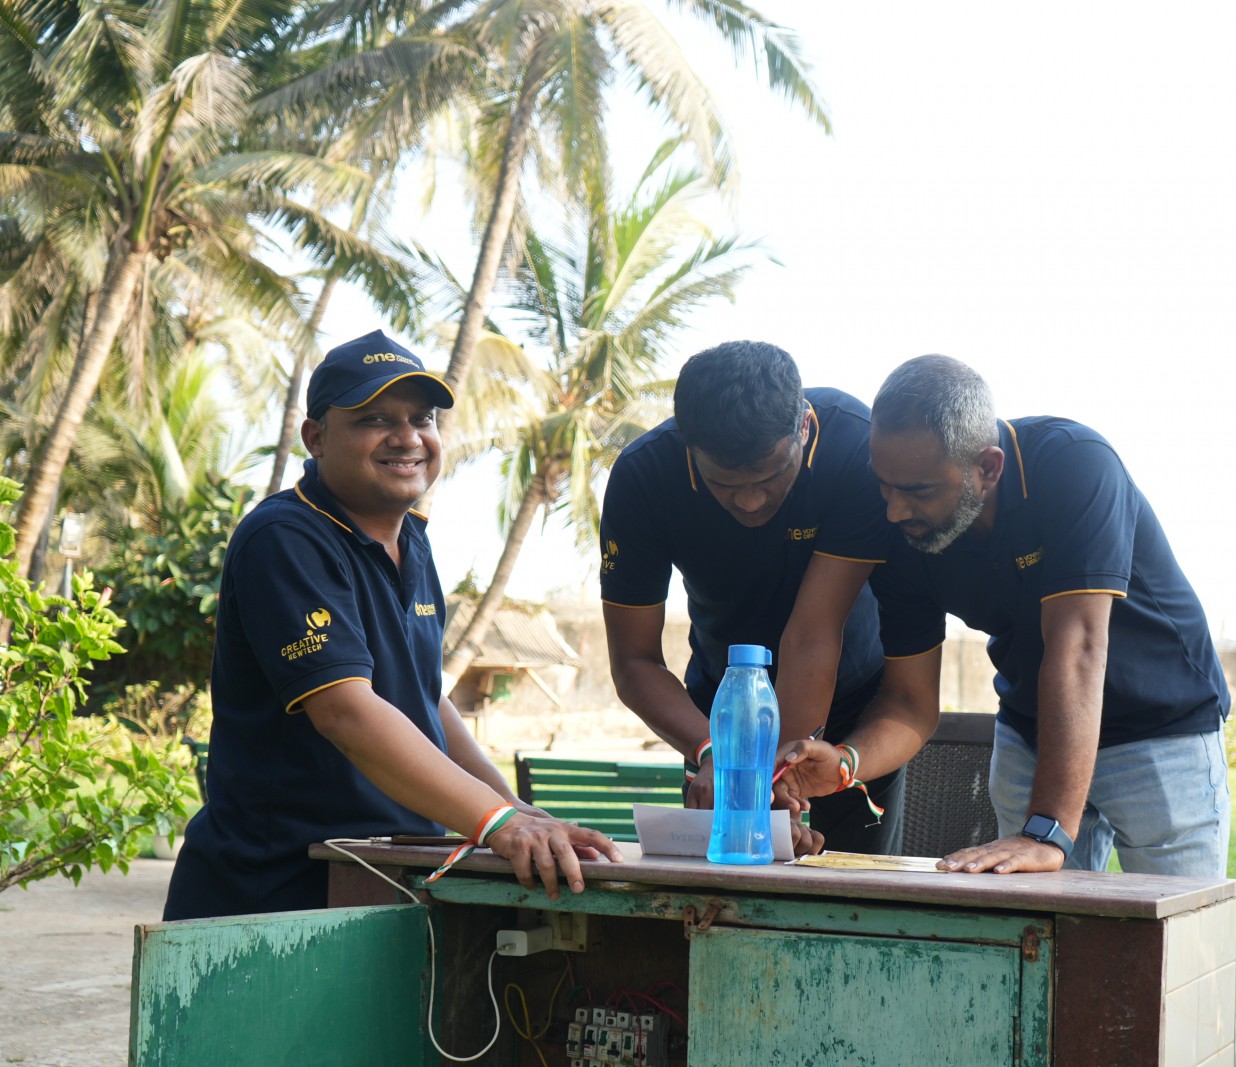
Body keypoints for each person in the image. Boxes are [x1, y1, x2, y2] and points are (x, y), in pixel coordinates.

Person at [164, 331, 622, 921]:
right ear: (316, 437)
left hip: (391, 879)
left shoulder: (413, 542)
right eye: (374, 419)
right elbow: (346, 711)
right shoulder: (286, 537)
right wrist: (495, 822)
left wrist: (514, 809)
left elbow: (426, 700)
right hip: (277, 891)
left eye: (422, 417)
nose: (407, 437)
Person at [775, 354, 1233, 881]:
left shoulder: (1074, 464)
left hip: (1161, 731)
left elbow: (1079, 648)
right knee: (1045, 946)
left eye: (919, 490)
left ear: (988, 467)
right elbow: (908, 701)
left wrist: (1047, 830)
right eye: (885, 485)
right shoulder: (905, 536)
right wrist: (846, 764)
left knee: (1178, 942)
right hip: (1033, 733)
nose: (895, 510)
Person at [599, 340, 905, 855]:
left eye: (769, 476)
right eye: (724, 484)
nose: (750, 500)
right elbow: (634, 661)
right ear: (689, 449)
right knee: (724, 895)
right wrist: (717, 754)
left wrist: (773, 777)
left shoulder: (854, 447)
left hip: (848, 717)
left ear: (804, 429)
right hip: (719, 719)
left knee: (858, 901)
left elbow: (812, 635)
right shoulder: (644, 478)